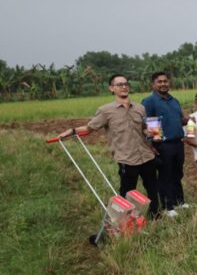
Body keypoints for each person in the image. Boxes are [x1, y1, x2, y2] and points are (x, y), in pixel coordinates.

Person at [56, 74, 159, 217]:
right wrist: (71, 131)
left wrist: (154, 134)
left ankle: (155, 215)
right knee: (127, 192)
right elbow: (89, 128)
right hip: (127, 158)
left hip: (146, 156)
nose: (124, 86)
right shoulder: (106, 111)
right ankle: (123, 222)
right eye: (119, 84)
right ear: (112, 88)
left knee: (153, 189)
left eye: (125, 83)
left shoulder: (140, 108)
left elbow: (144, 129)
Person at [141, 71, 187, 216]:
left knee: (177, 173)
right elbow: (145, 124)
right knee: (165, 175)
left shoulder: (174, 100)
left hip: (178, 142)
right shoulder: (149, 101)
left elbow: (179, 119)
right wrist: (151, 145)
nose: (163, 84)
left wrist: (187, 120)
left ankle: (179, 201)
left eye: (165, 81)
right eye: (159, 82)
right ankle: (168, 206)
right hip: (163, 144)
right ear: (153, 84)